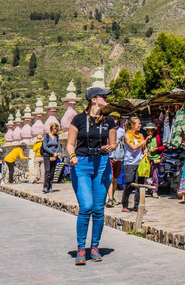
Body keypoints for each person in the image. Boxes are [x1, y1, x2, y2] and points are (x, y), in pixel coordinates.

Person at [67, 87, 116, 265]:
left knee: (98, 209)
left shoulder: (109, 120)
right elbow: (70, 144)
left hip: (102, 165)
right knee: (86, 206)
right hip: (82, 165)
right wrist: (72, 157)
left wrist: (111, 146)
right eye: (103, 96)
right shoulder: (78, 119)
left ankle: (94, 247)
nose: (106, 99)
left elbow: (113, 143)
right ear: (94, 99)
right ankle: (81, 248)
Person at [121, 117, 150, 213]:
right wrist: (143, 142)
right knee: (129, 184)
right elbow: (133, 147)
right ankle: (125, 204)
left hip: (139, 162)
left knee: (139, 185)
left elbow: (144, 147)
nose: (140, 125)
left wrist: (145, 150)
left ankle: (138, 206)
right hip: (129, 163)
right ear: (133, 125)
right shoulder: (127, 135)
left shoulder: (141, 135)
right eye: (138, 123)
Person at [106, 112, 124, 207]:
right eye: (113, 118)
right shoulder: (106, 130)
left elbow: (125, 143)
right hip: (110, 156)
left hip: (118, 156)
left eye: (116, 119)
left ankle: (112, 196)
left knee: (116, 178)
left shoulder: (121, 131)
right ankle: (110, 198)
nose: (115, 120)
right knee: (110, 177)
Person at [144, 122, 165, 198]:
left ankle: (155, 191)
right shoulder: (145, 138)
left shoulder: (157, 138)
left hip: (155, 158)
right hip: (147, 159)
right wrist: (146, 140)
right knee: (145, 175)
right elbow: (142, 145)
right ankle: (145, 190)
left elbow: (163, 147)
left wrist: (156, 149)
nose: (149, 132)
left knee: (155, 176)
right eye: (148, 131)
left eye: (151, 131)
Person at [42, 122, 62, 193]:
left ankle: (50, 186)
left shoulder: (56, 137)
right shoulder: (46, 137)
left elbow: (58, 145)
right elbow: (45, 147)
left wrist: (56, 153)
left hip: (54, 156)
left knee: (52, 171)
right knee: (47, 170)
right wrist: (52, 153)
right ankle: (45, 186)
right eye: (56, 129)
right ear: (52, 129)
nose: (57, 130)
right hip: (47, 155)